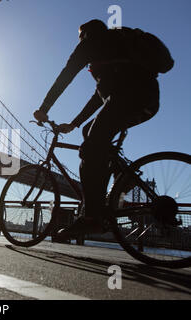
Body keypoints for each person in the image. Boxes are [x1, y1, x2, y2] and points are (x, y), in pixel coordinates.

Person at [33, 19, 173, 238]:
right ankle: (119, 177)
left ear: (84, 35)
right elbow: (100, 98)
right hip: (147, 102)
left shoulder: (90, 44)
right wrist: (76, 123)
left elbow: (65, 76)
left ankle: (91, 218)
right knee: (90, 132)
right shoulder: (116, 48)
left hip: (126, 98)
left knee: (89, 149)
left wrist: (44, 107)